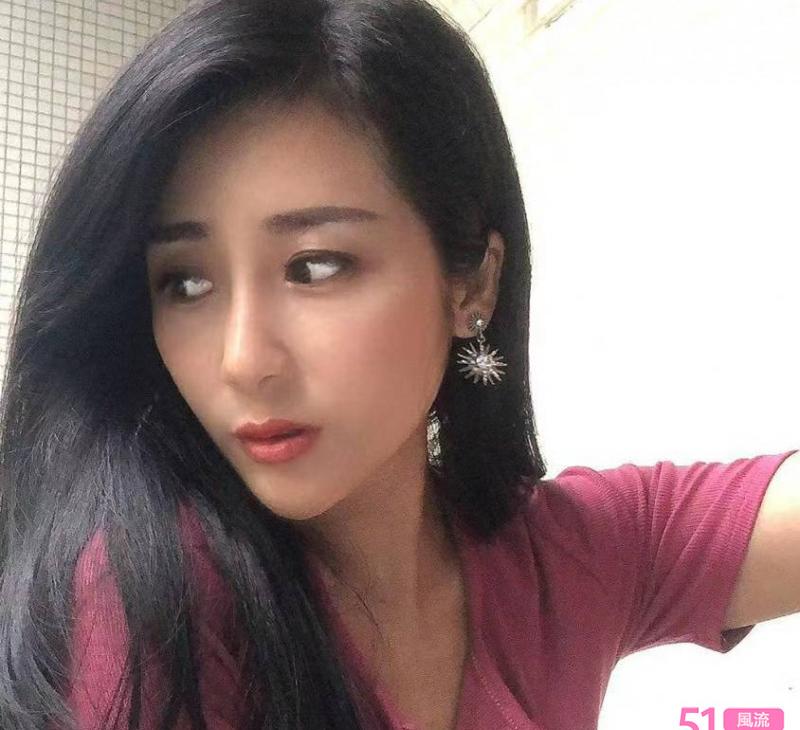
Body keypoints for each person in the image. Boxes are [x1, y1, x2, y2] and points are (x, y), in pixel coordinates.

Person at [0, 0, 797, 729]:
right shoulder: (154, 596)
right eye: (186, 282)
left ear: (472, 284)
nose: (242, 361)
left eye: (315, 267)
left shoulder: (561, 559)